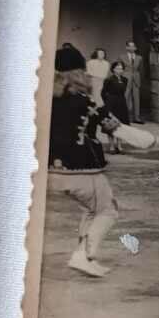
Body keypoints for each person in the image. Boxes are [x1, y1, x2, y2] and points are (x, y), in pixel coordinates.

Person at [48, 66, 122, 277]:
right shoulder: (86, 103)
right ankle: (83, 256)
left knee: (91, 210)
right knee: (108, 210)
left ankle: (86, 257)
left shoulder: (52, 101)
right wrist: (155, 140)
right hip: (82, 169)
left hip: (53, 170)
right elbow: (116, 128)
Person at [101, 62, 130, 153]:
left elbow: (123, 92)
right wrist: (107, 103)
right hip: (111, 102)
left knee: (121, 125)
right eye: (117, 68)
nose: (120, 70)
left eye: (121, 68)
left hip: (121, 102)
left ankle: (119, 146)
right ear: (113, 69)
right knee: (111, 125)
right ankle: (112, 146)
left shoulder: (125, 79)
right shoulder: (108, 79)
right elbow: (103, 93)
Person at [121, 40, 144, 123]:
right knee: (125, 97)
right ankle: (124, 117)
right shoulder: (122, 57)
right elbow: (120, 68)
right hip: (126, 78)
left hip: (136, 79)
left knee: (136, 99)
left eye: (133, 46)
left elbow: (141, 70)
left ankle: (137, 118)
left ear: (135, 48)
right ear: (126, 47)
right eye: (129, 46)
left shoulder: (139, 57)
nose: (131, 48)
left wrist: (140, 78)